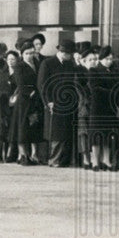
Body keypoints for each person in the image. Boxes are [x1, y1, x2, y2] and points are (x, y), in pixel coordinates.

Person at [38, 39, 79, 167]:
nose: (71, 56)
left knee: (66, 132)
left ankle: (63, 160)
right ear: (63, 52)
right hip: (54, 103)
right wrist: (48, 101)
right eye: (69, 54)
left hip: (68, 103)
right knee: (55, 133)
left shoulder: (70, 64)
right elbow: (42, 84)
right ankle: (53, 159)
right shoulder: (48, 63)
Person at [7, 43, 43, 165]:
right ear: (22, 54)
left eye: (32, 53)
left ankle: (34, 155)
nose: (29, 55)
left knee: (34, 126)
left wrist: (38, 93)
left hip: (36, 100)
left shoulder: (37, 64)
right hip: (24, 101)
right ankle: (23, 155)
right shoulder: (19, 66)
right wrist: (31, 92)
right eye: (27, 53)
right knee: (22, 128)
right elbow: (20, 83)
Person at [86, 46, 119, 171]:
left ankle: (106, 160)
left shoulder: (114, 71)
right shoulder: (93, 71)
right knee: (96, 135)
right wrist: (113, 92)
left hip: (110, 107)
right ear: (101, 59)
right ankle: (95, 161)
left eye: (111, 59)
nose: (109, 61)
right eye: (107, 58)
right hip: (98, 107)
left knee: (108, 135)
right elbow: (95, 89)